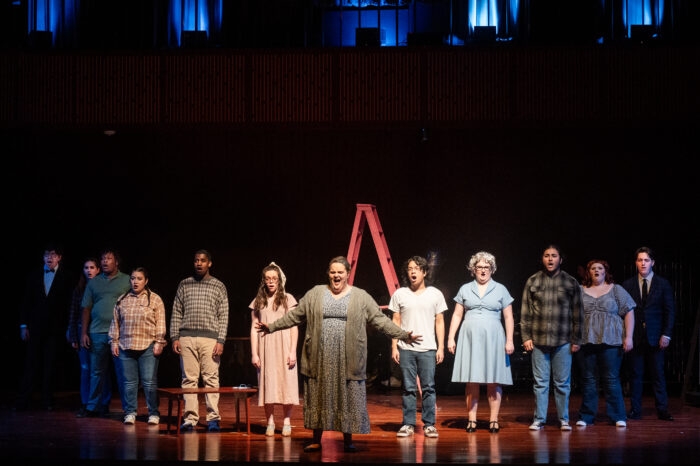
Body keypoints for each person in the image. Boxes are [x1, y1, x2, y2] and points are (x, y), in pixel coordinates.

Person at [256, 256, 422, 453]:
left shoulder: (360, 296)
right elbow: (295, 315)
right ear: (328, 273)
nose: (336, 276)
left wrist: (403, 335)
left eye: (340, 272)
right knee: (318, 395)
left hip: (348, 357)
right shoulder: (316, 293)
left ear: (348, 274)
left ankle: (348, 440)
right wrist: (273, 327)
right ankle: (317, 439)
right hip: (320, 355)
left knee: (347, 396)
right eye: (333, 272)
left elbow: (380, 320)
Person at [447, 251, 514, 433]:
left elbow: (508, 317)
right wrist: (450, 337)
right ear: (473, 269)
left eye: (487, 267)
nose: (483, 270)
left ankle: (493, 420)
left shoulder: (501, 289)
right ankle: (472, 419)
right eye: (479, 267)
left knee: (494, 380)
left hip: (494, 338)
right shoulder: (465, 289)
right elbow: (457, 314)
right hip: (470, 338)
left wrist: (510, 340)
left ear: (492, 269)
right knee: (472, 380)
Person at [521, 244, 582, 431]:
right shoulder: (533, 281)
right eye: (546, 255)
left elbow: (578, 314)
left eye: (554, 256)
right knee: (540, 382)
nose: (550, 259)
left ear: (560, 259)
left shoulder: (570, 282)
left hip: (563, 340)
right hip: (538, 340)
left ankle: (563, 419)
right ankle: (539, 419)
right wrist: (525, 336)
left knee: (562, 383)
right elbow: (525, 312)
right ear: (542, 258)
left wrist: (576, 339)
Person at [171, 250, 229, 432]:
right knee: (189, 379)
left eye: (203, 261)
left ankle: (213, 419)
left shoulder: (218, 285)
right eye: (196, 260)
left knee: (211, 379)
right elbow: (176, 312)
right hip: (186, 337)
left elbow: (224, 315)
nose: (199, 263)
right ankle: (190, 419)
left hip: (210, 338)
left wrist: (221, 340)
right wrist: (175, 336)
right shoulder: (184, 284)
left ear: (209, 263)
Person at [390, 255, 447, 439]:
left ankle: (429, 425)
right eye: (410, 268)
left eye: (417, 268)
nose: (413, 271)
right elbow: (395, 321)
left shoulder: (435, 294)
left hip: (428, 349)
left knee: (429, 387)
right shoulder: (400, 294)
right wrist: (394, 346)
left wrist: (441, 347)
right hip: (405, 348)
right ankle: (408, 424)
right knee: (408, 387)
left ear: (424, 272)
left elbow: (440, 321)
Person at [576, 260, 635, 428]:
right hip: (586, 341)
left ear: (605, 272)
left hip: (612, 341)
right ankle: (586, 416)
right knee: (588, 379)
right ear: (588, 272)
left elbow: (629, 312)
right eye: (593, 268)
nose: (596, 270)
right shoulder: (580, 291)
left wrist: (629, 337)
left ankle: (617, 416)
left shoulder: (616, 289)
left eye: (600, 268)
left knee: (611, 379)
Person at [18, 245, 74, 410]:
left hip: (55, 329)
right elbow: (26, 302)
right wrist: (23, 325)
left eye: (54, 255)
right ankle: (24, 399)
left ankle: (47, 400)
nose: (50, 258)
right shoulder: (34, 275)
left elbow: (70, 305)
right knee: (31, 363)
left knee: (50, 365)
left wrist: (69, 328)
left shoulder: (67, 276)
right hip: (35, 327)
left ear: (59, 258)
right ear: (43, 257)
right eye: (47, 254)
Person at [622, 247, 675, 421]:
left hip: (656, 336)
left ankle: (662, 409)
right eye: (639, 260)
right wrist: (626, 336)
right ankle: (635, 410)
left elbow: (669, 311)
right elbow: (622, 312)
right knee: (635, 375)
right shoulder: (628, 284)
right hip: (635, 337)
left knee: (658, 374)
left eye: (646, 260)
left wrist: (666, 334)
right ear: (636, 263)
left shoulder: (662, 283)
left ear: (652, 262)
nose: (643, 263)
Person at [109, 267, 166, 425]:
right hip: (126, 346)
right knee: (129, 382)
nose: (135, 282)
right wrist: (114, 341)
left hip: (148, 345)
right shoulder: (122, 299)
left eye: (139, 278)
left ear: (146, 281)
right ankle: (130, 412)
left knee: (149, 381)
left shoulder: (154, 299)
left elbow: (160, 322)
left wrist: (159, 342)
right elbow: (115, 322)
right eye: (133, 278)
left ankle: (153, 412)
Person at [250, 262, 299, 437]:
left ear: (279, 281)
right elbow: (253, 328)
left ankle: (286, 421)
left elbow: (294, 326)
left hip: (284, 345)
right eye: (268, 278)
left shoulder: (288, 299)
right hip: (266, 347)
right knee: (268, 384)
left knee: (287, 383)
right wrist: (254, 353)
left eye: (274, 279)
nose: (271, 282)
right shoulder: (258, 301)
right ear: (263, 281)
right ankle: (270, 421)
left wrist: (293, 351)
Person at [79, 249, 131, 417]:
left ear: (116, 262)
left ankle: (128, 409)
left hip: (120, 334)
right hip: (97, 332)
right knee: (96, 372)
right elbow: (86, 307)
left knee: (122, 372)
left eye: (108, 258)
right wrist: (84, 333)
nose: (105, 261)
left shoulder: (126, 280)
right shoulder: (94, 283)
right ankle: (93, 406)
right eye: (102, 259)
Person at [67, 258, 111, 416]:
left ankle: (104, 403)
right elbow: (73, 314)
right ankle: (86, 403)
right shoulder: (79, 289)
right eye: (86, 268)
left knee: (101, 370)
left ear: (98, 270)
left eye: (92, 267)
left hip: (99, 331)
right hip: (82, 331)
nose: (89, 270)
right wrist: (74, 336)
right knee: (86, 369)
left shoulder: (102, 287)